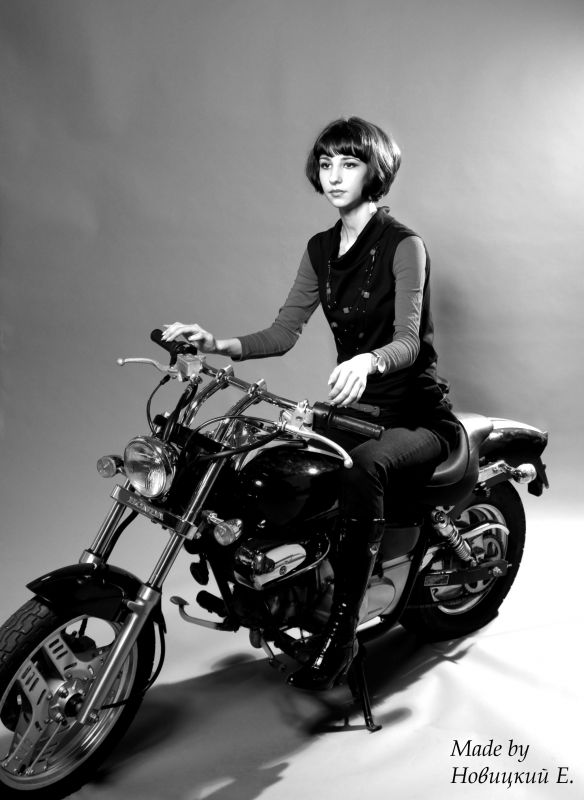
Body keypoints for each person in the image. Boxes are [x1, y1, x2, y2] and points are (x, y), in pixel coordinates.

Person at [162, 116, 460, 691]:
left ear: (375, 171)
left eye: (349, 163)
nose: (334, 176)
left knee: (364, 471)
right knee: (273, 464)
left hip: (415, 415)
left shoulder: (404, 245)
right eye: (326, 164)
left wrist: (366, 361)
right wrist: (215, 343)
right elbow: (283, 332)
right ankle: (277, 588)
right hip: (354, 410)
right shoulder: (320, 249)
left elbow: (407, 339)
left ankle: (342, 636)